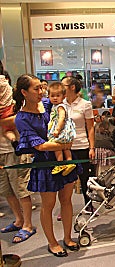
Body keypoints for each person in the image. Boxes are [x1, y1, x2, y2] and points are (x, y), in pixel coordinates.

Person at [14, 74, 80, 257]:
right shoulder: (22, 118)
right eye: (36, 89)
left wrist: (66, 141)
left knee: (67, 200)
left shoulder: (49, 104)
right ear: (24, 92)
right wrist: (66, 144)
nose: (41, 92)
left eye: (41, 88)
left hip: (64, 159)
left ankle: (67, 237)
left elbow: (64, 117)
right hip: (45, 164)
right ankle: (52, 242)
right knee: (48, 204)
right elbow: (39, 146)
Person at [62, 76, 96, 215]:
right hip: (65, 147)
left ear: (72, 87)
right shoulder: (60, 104)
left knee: (84, 179)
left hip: (82, 145)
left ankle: (89, 205)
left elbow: (91, 127)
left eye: (63, 85)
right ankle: (65, 207)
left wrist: (92, 147)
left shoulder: (85, 104)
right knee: (65, 179)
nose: (60, 87)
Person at [0, 135, 35, 243]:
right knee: (6, 189)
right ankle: (19, 220)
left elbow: (17, 119)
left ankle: (28, 225)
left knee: (21, 189)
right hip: (1, 152)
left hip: (14, 150)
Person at [47, 82, 76, 176]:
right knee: (65, 147)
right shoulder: (56, 106)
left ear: (63, 96)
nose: (55, 98)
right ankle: (69, 162)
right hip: (64, 131)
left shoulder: (60, 107)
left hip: (61, 130)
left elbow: (61, 118)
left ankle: (60, 163)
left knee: (57, 146)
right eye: (52, 96)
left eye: (58, 95)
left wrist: (57, 129)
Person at [0, 60, 19, 152]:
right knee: (8, 131)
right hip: (9, 109)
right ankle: (14, 140)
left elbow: (17, 119)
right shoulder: (5, 83)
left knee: (7, 131)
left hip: (7, 149)